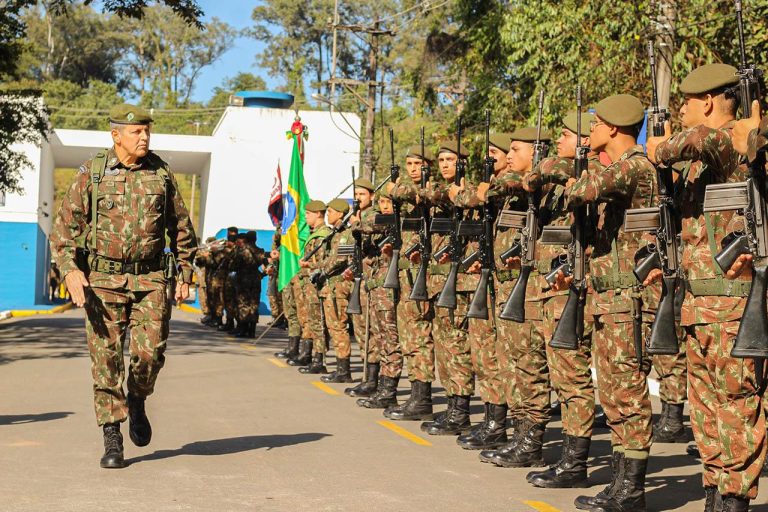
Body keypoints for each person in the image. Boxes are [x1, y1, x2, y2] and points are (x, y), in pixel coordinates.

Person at [50, 103, 196, 469]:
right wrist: (70, 270)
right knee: (106, 359)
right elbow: (63, 230)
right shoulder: (93, 173)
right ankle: (112, 435)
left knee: (150, 355)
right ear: (116, 135)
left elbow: (181, 227)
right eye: (136, 132)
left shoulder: (161, 173)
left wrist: (186, 272)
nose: (144, 136)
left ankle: (138, 398)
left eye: (147, 130)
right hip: (104, 281)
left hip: (150, 279)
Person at [647, 63, 765, 512]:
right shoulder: (703, 165)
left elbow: (697, 139)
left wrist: (657, 149)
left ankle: (734, 499)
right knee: (706, 404)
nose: (680, 110)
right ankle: (715, 491)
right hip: (700, 304)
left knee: (736, 404)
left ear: (710, 102)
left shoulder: (730, 140)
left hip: (733, 305)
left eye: (686, 102)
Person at [555, 94, 656, 511]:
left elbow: (580, 190)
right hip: (610, 297)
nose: (588, 133)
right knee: (613, 392)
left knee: (627, 393)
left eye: (594, 125)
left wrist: (578, 164)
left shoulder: (634, 166)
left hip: (628, 298)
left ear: (613, 128)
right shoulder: (619, 167)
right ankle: (620, 483)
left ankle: (631, 490)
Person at [384, 145, 437, 421]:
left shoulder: (431, 192)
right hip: (406, 275)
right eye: (409, 164)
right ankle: (416, 395)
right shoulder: (406, 198)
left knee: (420, 337)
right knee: (409, 338)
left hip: (423, 276)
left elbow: (414, 194)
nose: (413, 169)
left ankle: (422, 398)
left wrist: (397, 188)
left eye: (418, 163)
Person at [316, 198, 354, 382]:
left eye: (330, 211)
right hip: (330, 286)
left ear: (340, 213)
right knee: (334, 327)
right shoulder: (335, 234)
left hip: (338, 286)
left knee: (339, 327)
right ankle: (340, 368)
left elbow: (341, 258)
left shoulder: (346, 234)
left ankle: (343, 371)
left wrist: (322, 269)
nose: (327, 214)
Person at [294, 200, 331, 372]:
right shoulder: (314, 234)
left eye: (308, 214)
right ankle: (312, 356)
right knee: (312, 321)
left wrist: (310, 267)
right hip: (310, 285)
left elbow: (323, 262)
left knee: (319, 323)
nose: (306, 217)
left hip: (318, 285)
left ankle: (319, 360)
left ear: (318, 214)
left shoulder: (323, 236)